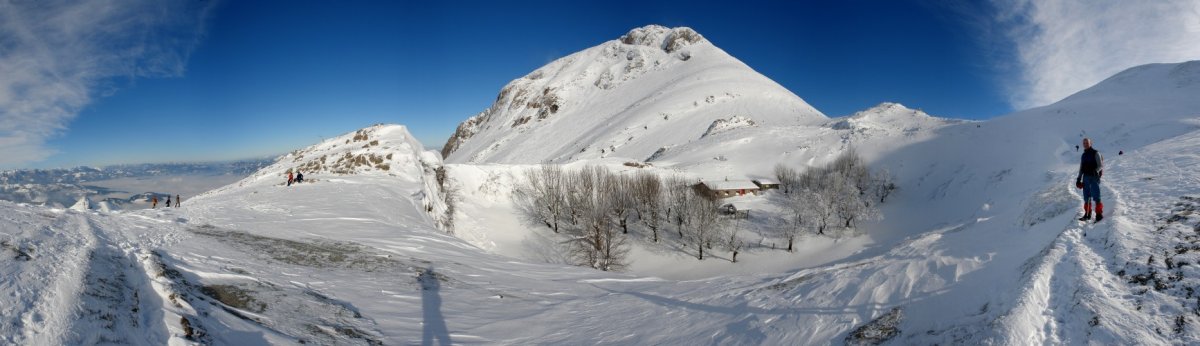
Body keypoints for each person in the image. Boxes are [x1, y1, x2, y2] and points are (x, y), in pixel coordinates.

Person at [1076, 138, 1104, 222]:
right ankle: (1087, 214)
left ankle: (1099, 214)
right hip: (1086, 178)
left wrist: (1095, 171)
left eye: (1087, 143)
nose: (1085, 144)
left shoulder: (1096, 153)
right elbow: (1081, 168)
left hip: (1094, 177)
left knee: (1096, 196)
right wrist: (1078, 179)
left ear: (1090, 143)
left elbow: (1100, 165)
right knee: (1086, 196)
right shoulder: (1083, 155)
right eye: (1084, 143)